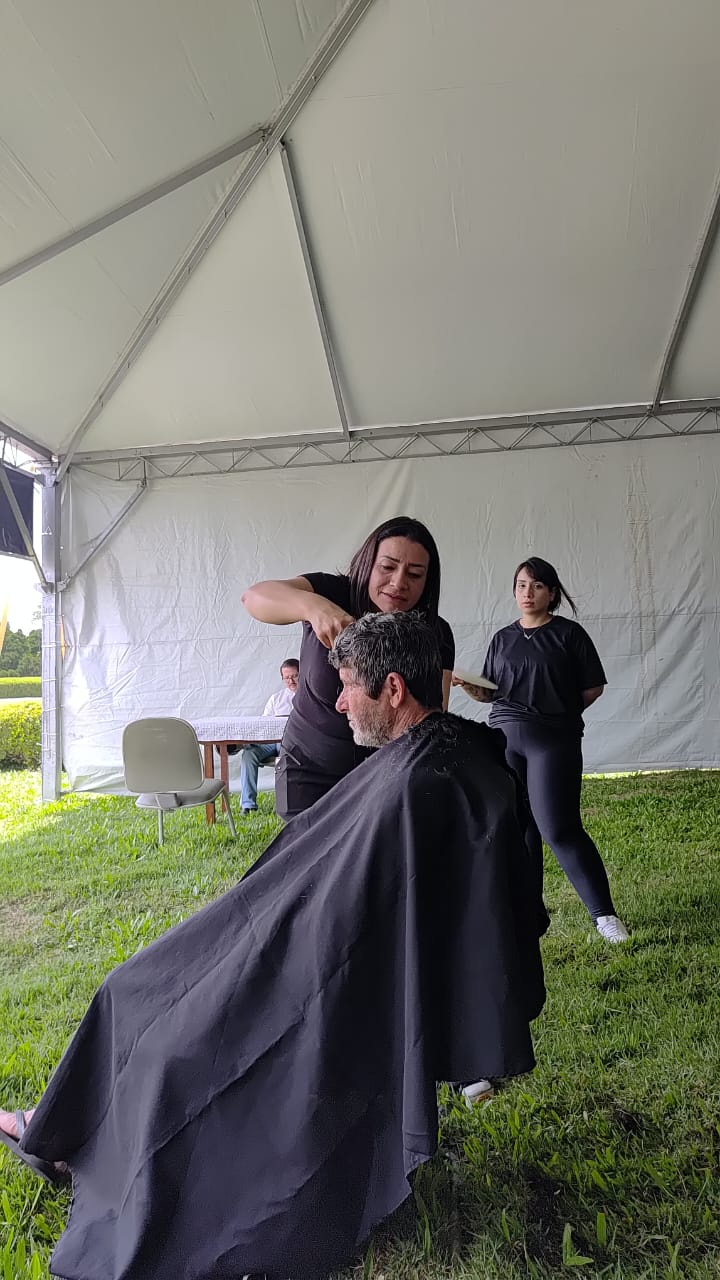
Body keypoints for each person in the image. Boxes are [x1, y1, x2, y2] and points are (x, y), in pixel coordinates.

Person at [0, 612, 544, 1280]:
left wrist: (260, 949)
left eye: (348, 686)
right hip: (292, 938)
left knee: (166, 1042)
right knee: (131, 986)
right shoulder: (447, 756)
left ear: (394, 689)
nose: (338, 703)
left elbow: (354, 928)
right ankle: (64, 1131)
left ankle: (87, 1149)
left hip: (308, 969)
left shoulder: (417, 783)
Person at [455, 556, 629, 943]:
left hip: (553, 741)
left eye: (536, 586)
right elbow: (492, 692)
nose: (527, 593)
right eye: (521, 585)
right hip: (505, 739)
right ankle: (529, 917)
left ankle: (604, 916)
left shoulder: (569, 634)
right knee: (520, 828)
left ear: (552, 593)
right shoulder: (503, 638)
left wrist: (557, 713)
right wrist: (470, 686)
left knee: (558, 827)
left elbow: (593, 688)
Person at [242, 515, 455, 820]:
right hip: (309, 767)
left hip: (385, 774)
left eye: (415, 574)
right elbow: (253, 597)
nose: (398, 583)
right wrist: (313, 606)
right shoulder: (330, 592)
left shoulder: (435, 632)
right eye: (387, 567)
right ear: (368, 563)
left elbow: (434, 713)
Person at [237, 657, 298, 813]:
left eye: (294, 676)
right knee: (249, 754)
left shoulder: (310, 697)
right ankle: (248, 805)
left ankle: (289, 804)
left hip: (296, 743)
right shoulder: (276, 699)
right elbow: (264, 725)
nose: (291, 681)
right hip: (272, 743)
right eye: (286, 677)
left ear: (302, 674)